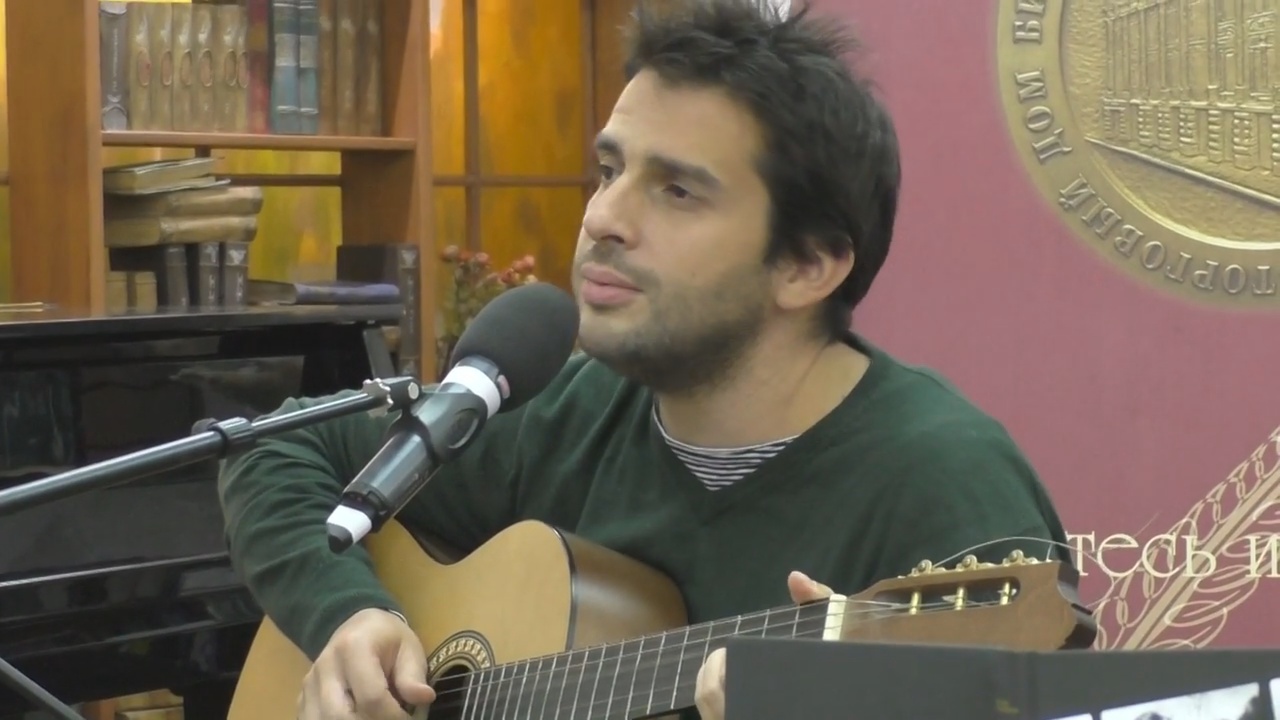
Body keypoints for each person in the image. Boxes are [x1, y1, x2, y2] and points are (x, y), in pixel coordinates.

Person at [217, 1, 1073, 718]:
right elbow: (277, 450)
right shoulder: (565, 410)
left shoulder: (941, 480)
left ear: (807, 265)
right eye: (608, 170)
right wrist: (349, 615)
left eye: (677, 190)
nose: (603, 219)